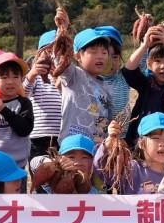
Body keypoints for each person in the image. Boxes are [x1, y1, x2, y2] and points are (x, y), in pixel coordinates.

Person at [49, 8, 115, 143]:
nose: (100, 56)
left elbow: (104, 120)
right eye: (93, 51)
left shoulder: (106, 87)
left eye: (104, 52)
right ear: (78, 55)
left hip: (96, 148)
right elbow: (60, 56)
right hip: (73, 146)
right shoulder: (73, 74)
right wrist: (63, 28)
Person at [95, 111, 164, 194]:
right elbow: (101, 170)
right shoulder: (131, 170)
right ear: (141, 143)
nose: (162, 144)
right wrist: (110, 140)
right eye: (156, 138)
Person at [24, 31, 63, 159]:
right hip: (38, 136)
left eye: (57, 52)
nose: (53, 56)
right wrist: (32, 74)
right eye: (48, 51)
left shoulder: (66, 78)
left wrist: (62, 85)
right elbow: (23, 94)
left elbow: (74, 101)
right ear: (39, 55)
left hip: (62, 135)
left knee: (61, 174)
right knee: (41, 170)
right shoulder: (36, 78)